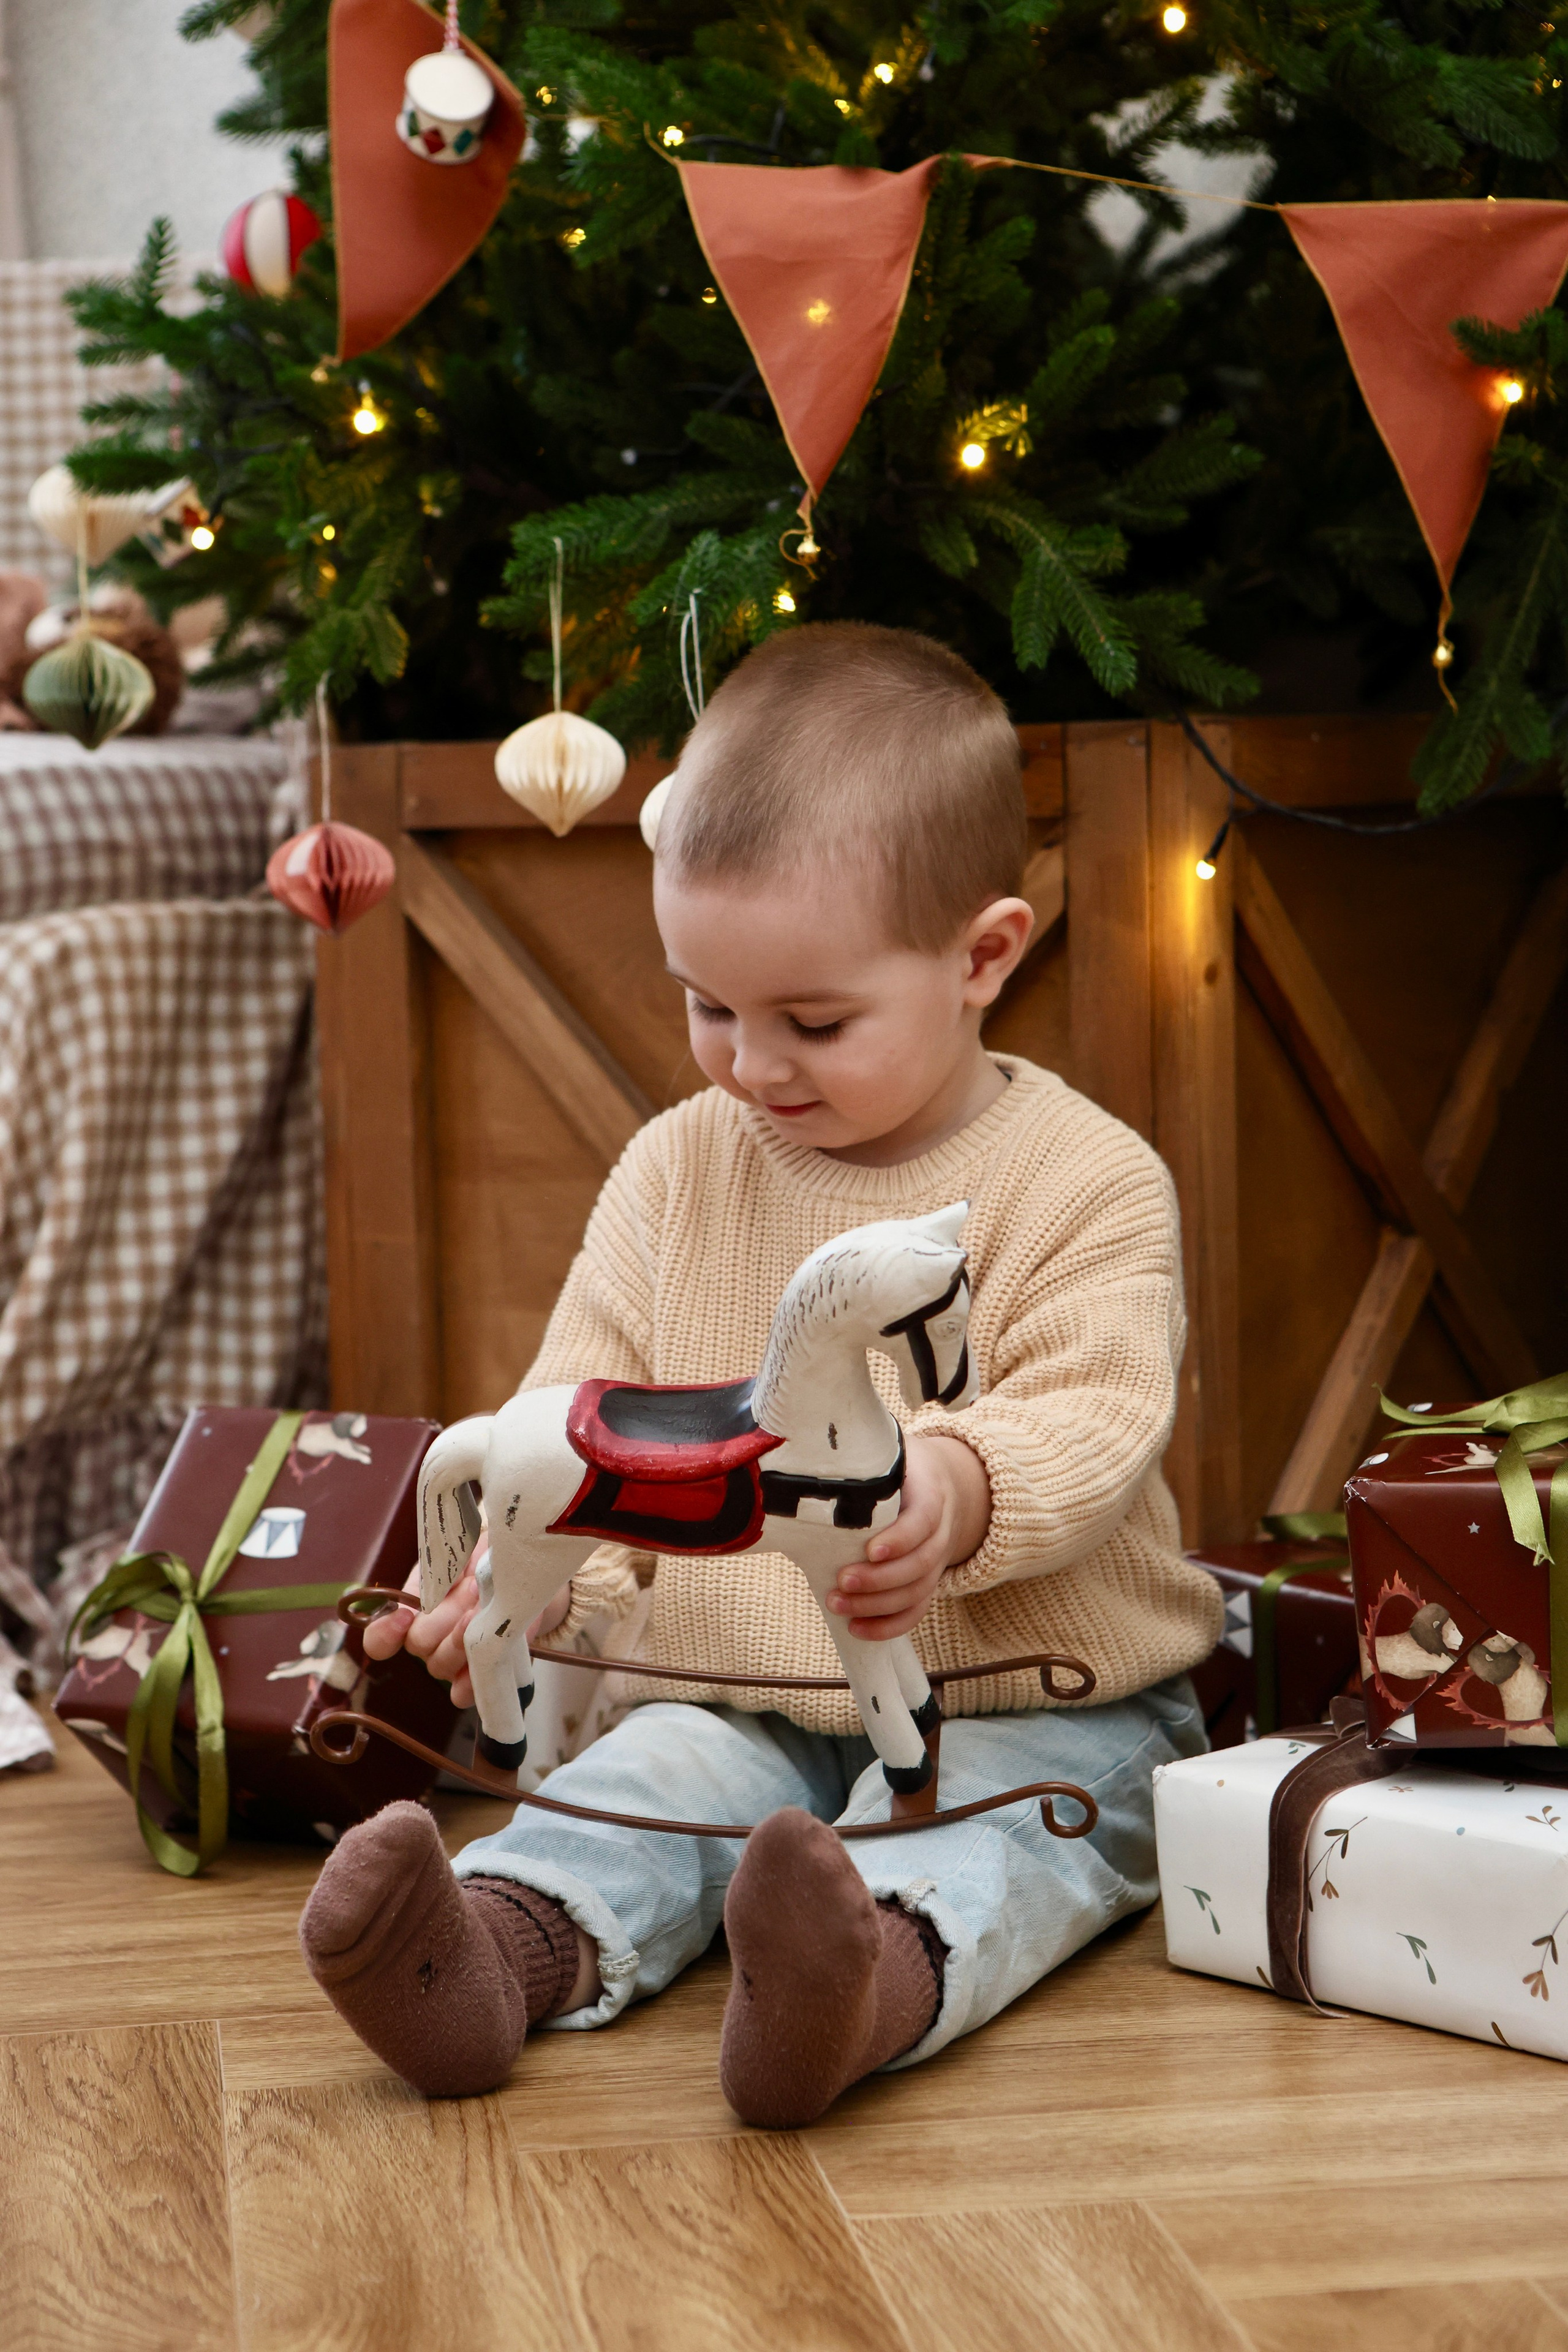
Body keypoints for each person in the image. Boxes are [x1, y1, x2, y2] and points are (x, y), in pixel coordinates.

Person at [298, 621, 1217, 2124]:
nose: (748, 1063)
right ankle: (485, 1953)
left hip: (1040, 1701)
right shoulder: (674, 1169)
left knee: (993, 1841)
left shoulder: (1086, 1178)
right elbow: (581, 1412)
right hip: (739, 1692)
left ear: (982, 956)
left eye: (813, 1021)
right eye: (707, 1004)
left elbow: (1094, 1409)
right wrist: (530, 1595)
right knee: (639, 1787)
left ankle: (856, 1986)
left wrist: (955, 1487)